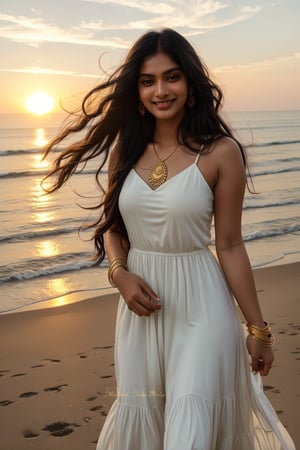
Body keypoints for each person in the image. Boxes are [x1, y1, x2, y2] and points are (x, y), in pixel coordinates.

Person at [43, 28, 295, 450]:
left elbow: (229, 245)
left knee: (190, 428)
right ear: (137, 90)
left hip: (202, 305)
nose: (160, 90)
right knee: (148, 424)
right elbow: (114, 226)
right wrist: (119, 274)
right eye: (147, 80)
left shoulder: (220, 152)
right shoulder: (126, 149)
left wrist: (259, 329)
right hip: (142, 311)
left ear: (191, 84)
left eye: (171, 77)